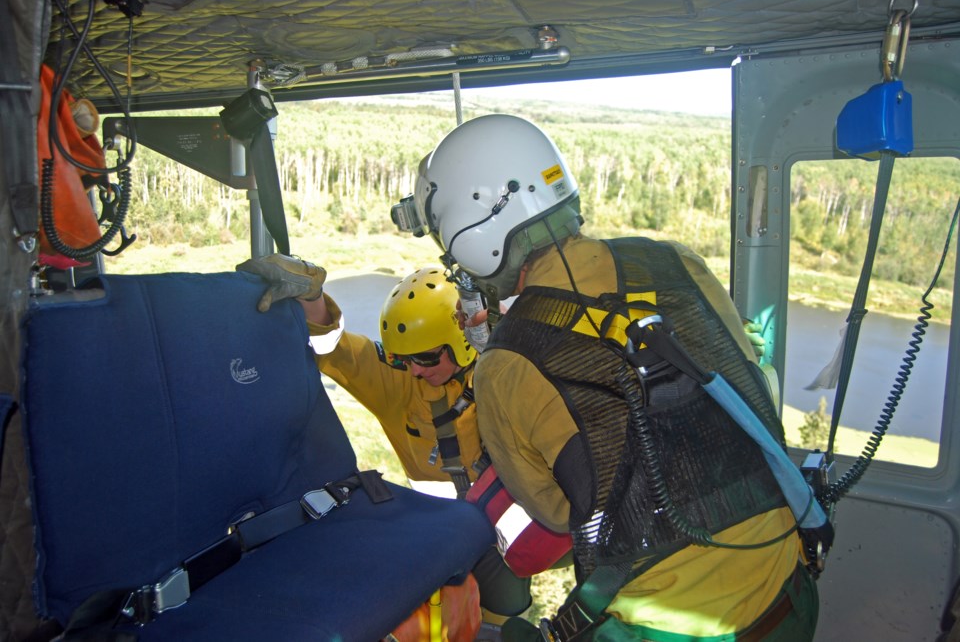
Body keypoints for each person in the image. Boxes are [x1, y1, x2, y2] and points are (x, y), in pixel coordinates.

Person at [398, 113, 824, 641]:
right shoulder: (675, 261)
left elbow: (556, 515)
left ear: (469, 235)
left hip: (666, 628)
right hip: (790, 596)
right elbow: (746, 382)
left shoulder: (504, 364)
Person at [235, 257, 532, 634]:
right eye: (400, 357)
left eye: (425, 357)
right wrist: (313, 298)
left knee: (502, 624)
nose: (414, 370)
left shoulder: (507, 367)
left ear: (461, 339)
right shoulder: (399, 384)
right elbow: (333, 348)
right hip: (437, 537)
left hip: (509, 539)